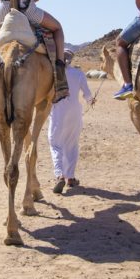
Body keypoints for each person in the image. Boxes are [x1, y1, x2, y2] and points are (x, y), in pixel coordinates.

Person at [48, 49, 94, 194]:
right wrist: (92, 101)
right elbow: (88, 96)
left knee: (55, 144)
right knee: (71, 145)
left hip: (58, 111)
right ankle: (70, 178)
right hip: (75, 113)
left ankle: (59, 175)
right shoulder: (79, 74)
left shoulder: (53, 73)